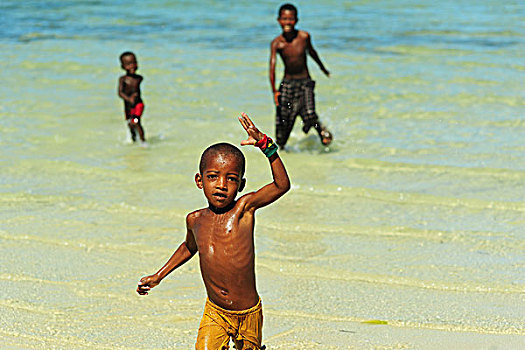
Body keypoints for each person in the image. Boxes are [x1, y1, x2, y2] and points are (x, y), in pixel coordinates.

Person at [136, 113, 290, 350]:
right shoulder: (195, 220)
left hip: (248, 313)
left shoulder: (243, 210)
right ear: (199, 180)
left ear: (241, 184)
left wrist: (266, 146)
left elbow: (282, 185)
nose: (221, 185)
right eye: (212, 177)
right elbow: (189, 247)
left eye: (231, 179)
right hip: (215, 312)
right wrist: (159, 275)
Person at [269, 3, 333, 148]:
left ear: (296, 20)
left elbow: (312, 53)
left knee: (310, 113)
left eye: (290, 19)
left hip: (305, 82)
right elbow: (272, 68)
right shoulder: (277, 43)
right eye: (284, 19)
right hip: (287, 84)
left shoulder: (304, 37)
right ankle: (282, 151)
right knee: (284, 120)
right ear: (279, 20)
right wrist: (274, 91)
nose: (287, 22)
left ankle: (322, 132)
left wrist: (323, 68)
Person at [118, 51, 146, 143]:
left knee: (136, 121)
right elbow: (120, 93)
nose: (132, 66)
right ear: (123, 67)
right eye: (129, 64)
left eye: (134, 63)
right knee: (130, 124)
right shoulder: (123, 79)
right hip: (128, 107)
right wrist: (128, 99)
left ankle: (143, 141)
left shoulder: (139, 78)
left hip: (138, 105)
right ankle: (134, 140)